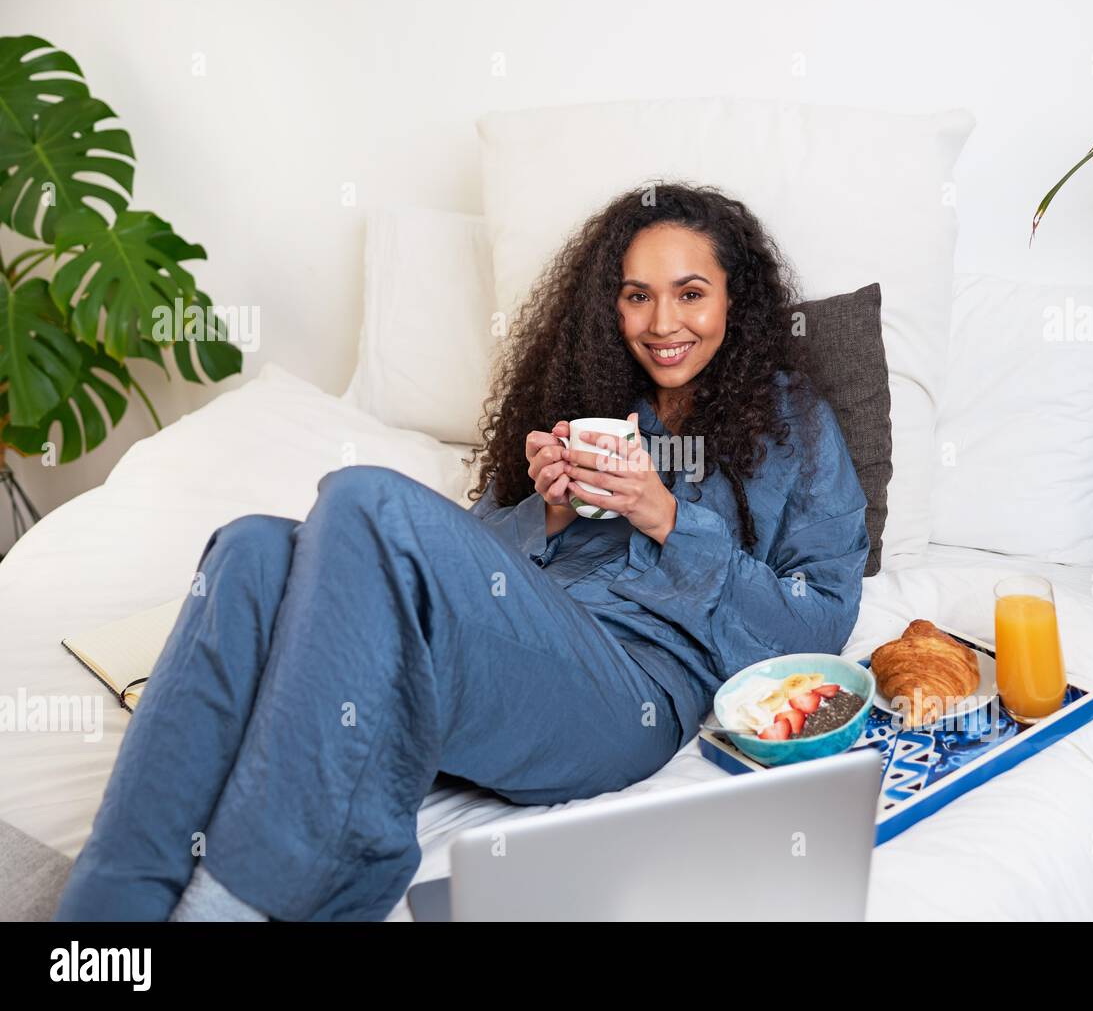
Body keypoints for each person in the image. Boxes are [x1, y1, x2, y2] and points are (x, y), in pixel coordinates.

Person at [52, 182, 871, 922]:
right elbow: (444, 575)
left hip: (633, 695)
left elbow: (819, 627)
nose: (663, 323)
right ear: (609, 308)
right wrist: (544, 516)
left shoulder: (793, 425)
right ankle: (101, 922)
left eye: (690, 293)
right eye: (636, 296)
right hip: (516, 654)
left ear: (736, 299)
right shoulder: (589, 404)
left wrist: (666, 518)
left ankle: (253, 901)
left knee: (364, 498)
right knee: (252, 552)